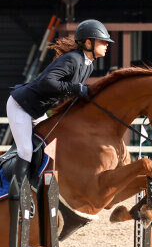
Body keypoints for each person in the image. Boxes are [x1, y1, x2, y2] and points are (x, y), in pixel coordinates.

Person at [8, 19, 113, 184]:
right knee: (27, 150)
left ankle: (37, 183)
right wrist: (77, 89)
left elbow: (73, 90)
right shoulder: (73, 59)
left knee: (48, 147)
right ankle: (17, 193)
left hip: (38, 110)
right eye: (103, 41)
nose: (107, 45)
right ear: (88, 42)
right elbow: (46, 82)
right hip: (21, 105)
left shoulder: (88, 65)